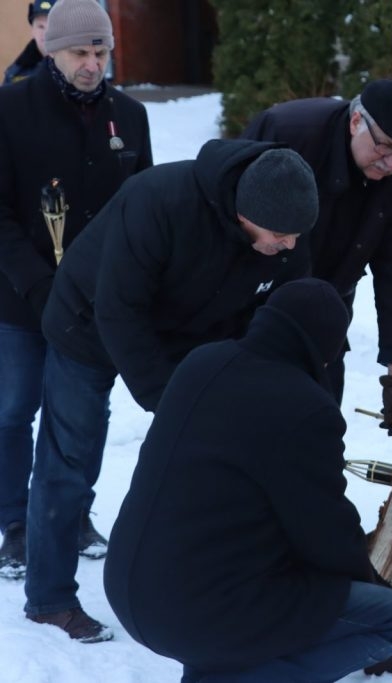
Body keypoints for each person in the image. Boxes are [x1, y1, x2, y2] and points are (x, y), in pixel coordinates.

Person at [25, 140, 318, 642]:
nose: (289, 246)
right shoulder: (159, 202)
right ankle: (49, 598)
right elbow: (119, 312)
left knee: (205, 452)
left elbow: (274, 317)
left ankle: (208, 573)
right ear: (244, 214)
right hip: (88, 322)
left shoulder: (286, 230)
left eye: (296, 236)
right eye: (280, 236)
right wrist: (172, 401)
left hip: (188, 331)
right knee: (70, 460)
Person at [104, 278, 392, 682]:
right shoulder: (303, 408)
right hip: (195, 612)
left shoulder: (202, 363)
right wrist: (376, 583)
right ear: (324, 347)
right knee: (391, 619)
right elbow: (325, 530)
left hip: (131, 585)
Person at [0, 0, 151, 580]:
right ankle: (16, 521)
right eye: (79, 53)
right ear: (50, 50)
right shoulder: (11, 109)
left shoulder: (129, 116)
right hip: (21, 296)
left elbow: (143, 208)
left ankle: (72, 511)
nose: (92, 64)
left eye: (100, 51)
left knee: (85, 411)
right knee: (15, 407)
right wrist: (36, 284)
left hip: (95, 301)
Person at [241, 78, 392, 437]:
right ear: (356, 121)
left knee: (318, 428)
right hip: (254, 306)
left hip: (328, 309)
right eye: (386, 146)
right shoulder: (290, 135)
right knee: (253, 429)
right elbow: (232, 218)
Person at [3, 0, 52, 85]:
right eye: (40, 26)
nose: (46, 33)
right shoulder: (16, 72)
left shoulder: (75, 67)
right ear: (32, 31)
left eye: (51, 26)